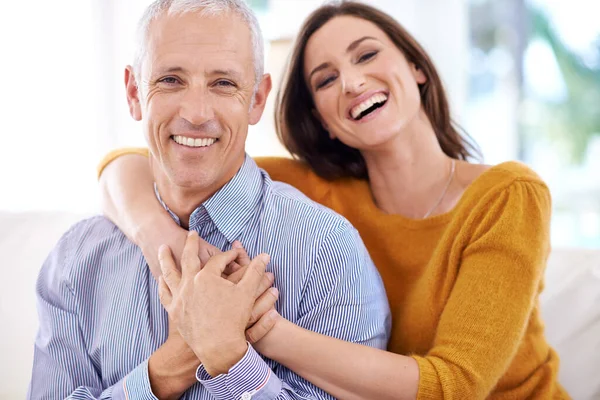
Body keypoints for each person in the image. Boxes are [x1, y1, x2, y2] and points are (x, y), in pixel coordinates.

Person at [98, 1, 570, 399]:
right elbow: (135, 162)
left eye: (366, 56)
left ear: (417, 67)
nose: (351, 82)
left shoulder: (508, 196)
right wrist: (163, 245)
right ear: (321, 119)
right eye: (325, 80)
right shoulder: (319, 190)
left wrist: (256, 327)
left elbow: (455, 386)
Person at [28, 1, 391, 399]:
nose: (197, 113)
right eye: (170, 80)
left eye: (223, 83)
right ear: (134, 93)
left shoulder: (328, 250)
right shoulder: (74, 262)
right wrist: (163, 373)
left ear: (256, 100)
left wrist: (229, 360)